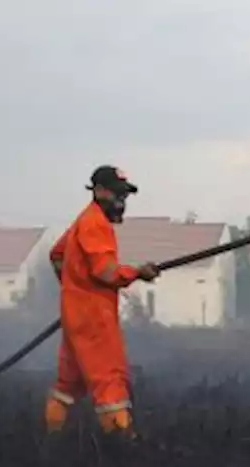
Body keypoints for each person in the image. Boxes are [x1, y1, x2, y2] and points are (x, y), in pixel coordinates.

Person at [44, 166, 159, 437]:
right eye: (117, 195)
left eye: (124, 197)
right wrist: (138, 272)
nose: (121, 202)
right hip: (95, 319)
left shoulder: (84, 221)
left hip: (78, 318)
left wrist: (73, 292)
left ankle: (51, 438)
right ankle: (123, 448)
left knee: (68, 384)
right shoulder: (95, 224)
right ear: (99, 191)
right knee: (110, 381)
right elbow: (105, 272)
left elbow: (56, 255)